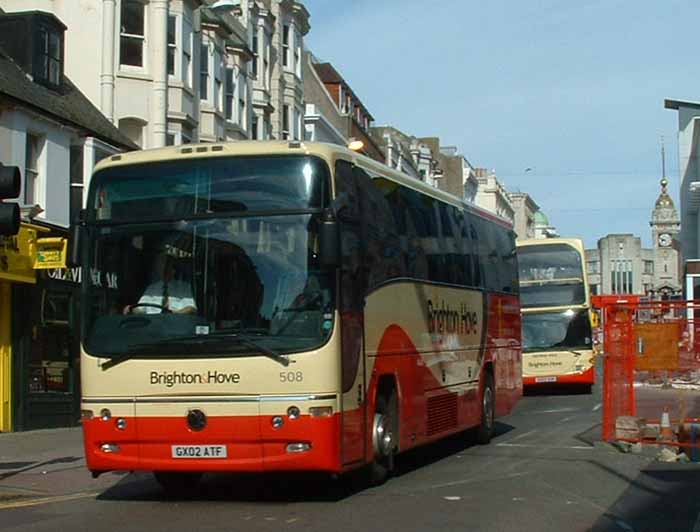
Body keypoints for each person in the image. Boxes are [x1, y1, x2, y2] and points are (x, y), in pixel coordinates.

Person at [124, 254, 196, 315]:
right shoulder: (152, 288)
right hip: (153, 325)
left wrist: (175, 313)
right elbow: (141, 309)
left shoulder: (184, 287)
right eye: (162, 266)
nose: (165, 269)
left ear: (173, 269)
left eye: (168, 266)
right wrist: (131, 308)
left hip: (175, 324)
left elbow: (191, 308)